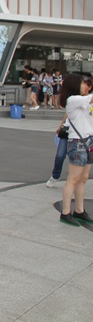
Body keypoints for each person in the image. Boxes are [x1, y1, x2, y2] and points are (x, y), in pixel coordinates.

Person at [58, 75, 93, 226]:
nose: (85, 86)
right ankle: (65, 212)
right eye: (82, 84)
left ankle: (79, 210)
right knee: (73, 179)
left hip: (89, 141)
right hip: (78, 142)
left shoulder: (82, 100)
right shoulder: (72, 100)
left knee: (83, 178)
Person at [47, 114, 70, 188]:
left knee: (75, 157)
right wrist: (61, 125)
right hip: (67, 129)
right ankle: (55, 176)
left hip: (81, 132)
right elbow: (67, 113)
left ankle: (74, 178)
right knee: (60, 155)